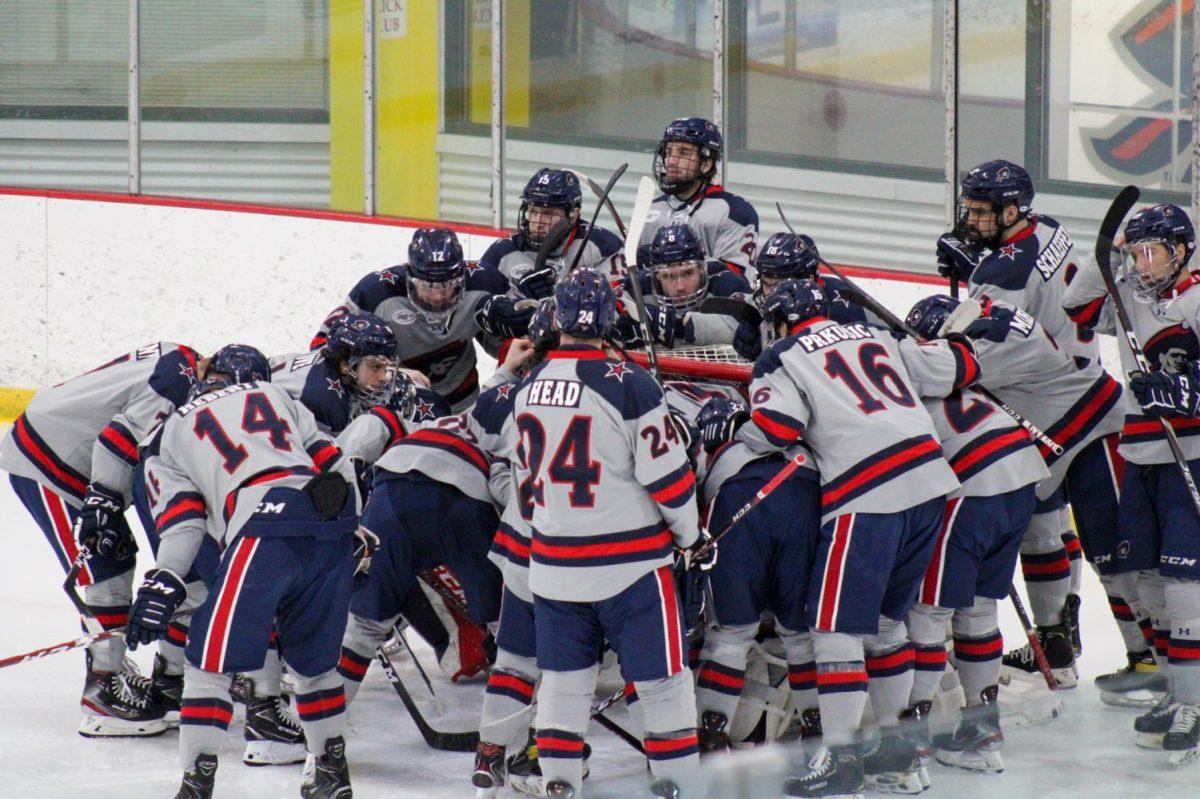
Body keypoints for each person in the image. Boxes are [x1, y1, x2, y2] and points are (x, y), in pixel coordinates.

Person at [737, 279, 975, 797]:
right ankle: (897, 756)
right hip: (931, 481)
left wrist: (740, 424)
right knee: (889, 626)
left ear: (779, 322)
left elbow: (777, 427)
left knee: (834, 632)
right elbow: (954, 369)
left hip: (867, 493)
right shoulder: (872, 335)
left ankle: (840, 761)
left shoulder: (781, 355)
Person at [509, 269, 708, 799]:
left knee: (565, 686)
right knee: (665, 686)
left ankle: (558, 788)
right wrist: (690, 537)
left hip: (551, 566)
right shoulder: (630, 384)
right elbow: (668, 477)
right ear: (608, 318)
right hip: (630, 569)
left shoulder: (526, 386)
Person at [132, 344, 360, 799]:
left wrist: (165, 580)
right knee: (314, 668)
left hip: (261, 525)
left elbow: (184, 523)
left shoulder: (170, 431)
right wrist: (357, 526)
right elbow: (337, 465)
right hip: (328, 521)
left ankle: (196, 785)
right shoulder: (281, 399)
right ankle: (332, 774)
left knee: (208, 667)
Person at [935, 159, 1128, 668]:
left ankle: (1054, 640)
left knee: (1039, 530)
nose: (971, 219)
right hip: (1085, 383)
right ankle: (1062, 633)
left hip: (1047, 409)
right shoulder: (1049, 228)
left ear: (1013, 209)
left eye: (982, 211)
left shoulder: (1002, 274)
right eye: (970, 209)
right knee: (1062, 529)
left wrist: (975, 278)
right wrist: (980, 260)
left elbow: (974, 338)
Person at [909, 294, 1127, 690]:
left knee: (1119, 559)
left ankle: (1147, 657)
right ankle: (1055, 641)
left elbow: (942, 372)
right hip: (1042, 451)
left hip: (1086, 430)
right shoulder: (993, 315)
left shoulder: (982, 343)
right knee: (1044, 534)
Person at [0, 341, 200, 737]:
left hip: (73, 453)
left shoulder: (182, 360)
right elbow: (116, 438)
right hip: (50, 460)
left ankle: (111, 669)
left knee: (116, 557)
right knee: (105, 569)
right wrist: (104, 500)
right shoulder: (179, 388)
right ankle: (102, 693)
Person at [1063, 202, 1200, 760]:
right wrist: (1107, 254)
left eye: (1154, 252)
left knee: (1185, 584)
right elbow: (1076, 307)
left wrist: (1180, 393)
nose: (1143, 264)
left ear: (1183, 251)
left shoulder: (1196, 300)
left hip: (1190, 452)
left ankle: (1193, 702)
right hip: (1140, 454)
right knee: (1145, 581)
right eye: (1136, 254)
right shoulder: (1127, 298)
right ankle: (1176, 691)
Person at [900, 301, 1052, 772]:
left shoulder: (907, 372)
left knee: (929, 612)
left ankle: (914, 742)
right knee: (980, 610)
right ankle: (984, 733)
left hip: (971, 486)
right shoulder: (968, 377)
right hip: (1022, 477)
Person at [690, 394, 822, 753]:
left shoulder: (720, 456)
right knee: (799, 634)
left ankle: (711, 736)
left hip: (736, 500)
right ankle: (816, 728)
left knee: (731, 636)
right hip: (805, 488)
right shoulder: (798, 435)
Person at [314, 227, 534, 410]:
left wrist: (519, 320)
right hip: (397, 405)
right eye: (427, 286)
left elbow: (527, 339)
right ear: (409, 275)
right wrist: (391, 374)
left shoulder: (483, 281)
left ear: (462, 278)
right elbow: (322, 349)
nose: (438, 296)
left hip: (463, 403)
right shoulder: (376, 293)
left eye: (448, 286)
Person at [638, 117, 759, 280]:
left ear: (706, 164)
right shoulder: (650, 210)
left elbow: (736, 281)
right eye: (668, 152)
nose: (671, 161)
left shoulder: (734, 211)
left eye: (683, 153)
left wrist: (680, 260)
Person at [481, 168, 626, 298]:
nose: (537, 223)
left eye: (548, 214)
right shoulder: (502, 252)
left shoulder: (603, 246)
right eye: (533, 212)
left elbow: (620, 300)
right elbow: (481, 305)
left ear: (574, 215)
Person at [617, 223, 752, 352]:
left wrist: (678, 326)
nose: (680, 286)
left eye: (688, 273)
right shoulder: (637, 285)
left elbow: (750, 330)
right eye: (669, 276)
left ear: (702, 269)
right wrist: (622, 331)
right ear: (656, 276)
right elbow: (606, 319)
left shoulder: (725, 282)